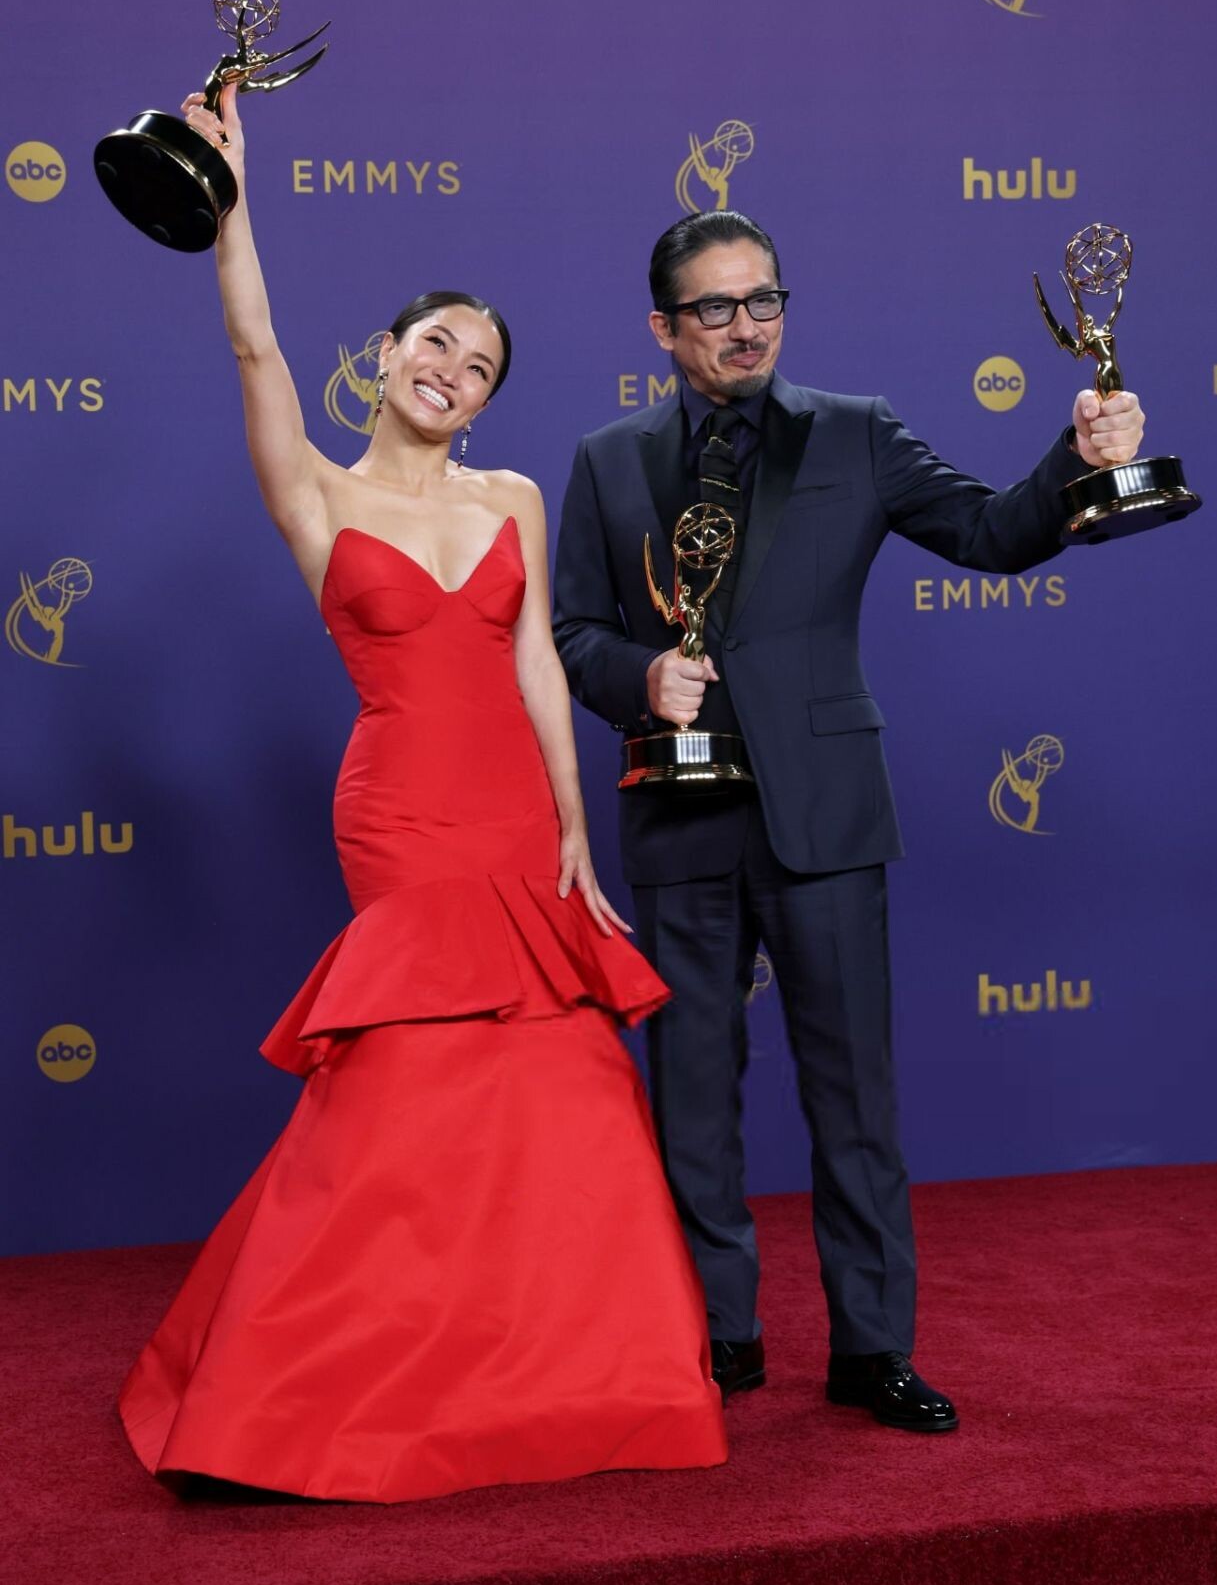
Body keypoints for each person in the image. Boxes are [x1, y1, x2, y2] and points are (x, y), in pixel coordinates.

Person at [118, 84, 726, 1503]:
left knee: (564, 1089)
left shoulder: (512, 499)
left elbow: (536, 669)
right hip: (398, 813)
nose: (455, 367)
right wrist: (229, 202)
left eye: (482, 363)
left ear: (490, 400)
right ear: (383, 357)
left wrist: (573, 834)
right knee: (405, 1098)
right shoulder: (317, 496)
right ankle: (291, 1397)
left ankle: (578, 1378)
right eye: (436, 341)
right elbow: (253, 343)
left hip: (517, 815)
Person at [552, 209, 1146, 1431]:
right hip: (676, 816)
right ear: (661, 328)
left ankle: (872, 1349)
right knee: (690, 1102)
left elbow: (988, 532)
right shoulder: (606, 459)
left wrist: (1077, 459)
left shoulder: (855, 431)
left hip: (823, 815)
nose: (746, 326)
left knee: (852, 1100)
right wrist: (637, 676)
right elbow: (570, 631)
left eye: (763, 299)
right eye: (715, 307)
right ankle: (713, 1336)